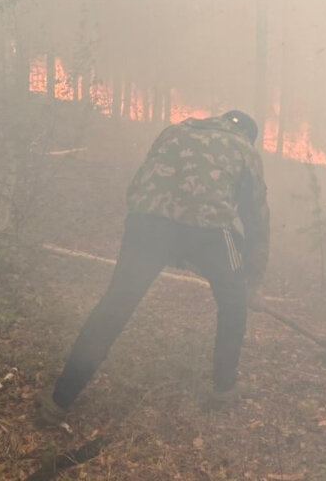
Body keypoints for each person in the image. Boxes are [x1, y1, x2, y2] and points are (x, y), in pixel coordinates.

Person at [37, 110, 270, 425]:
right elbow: (257, 218)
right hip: (209, 230)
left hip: (145, 223)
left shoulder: (173, 132)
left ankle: (59, 400)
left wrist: (171, 246)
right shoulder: (245, 149)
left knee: (114, 307)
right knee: (234, 305)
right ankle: (224, 389)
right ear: (248, 134)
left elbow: (140, 187)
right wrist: (252, 282)